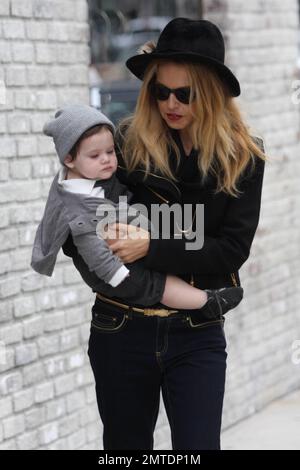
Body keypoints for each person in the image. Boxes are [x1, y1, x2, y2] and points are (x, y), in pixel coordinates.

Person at [62, 18, 267, 450]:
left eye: (184, 94)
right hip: (121, 326)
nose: (170, 103)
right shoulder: (125, 144)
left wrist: (150, 246)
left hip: (197, 331)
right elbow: (78, 229)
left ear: (210, 94)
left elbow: (229, 252)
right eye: (160, 91)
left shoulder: (243, 158)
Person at [31, 104, 243, 317]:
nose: (106, 159)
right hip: (112, 269)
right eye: (95, 155)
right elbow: (93, 252)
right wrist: (119, 276)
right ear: (69, 159)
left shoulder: (91, 175)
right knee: (156, 284)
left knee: (161, 263)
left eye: (110, 151)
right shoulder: (77, 210)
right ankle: (207, 302)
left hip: (126, 243)